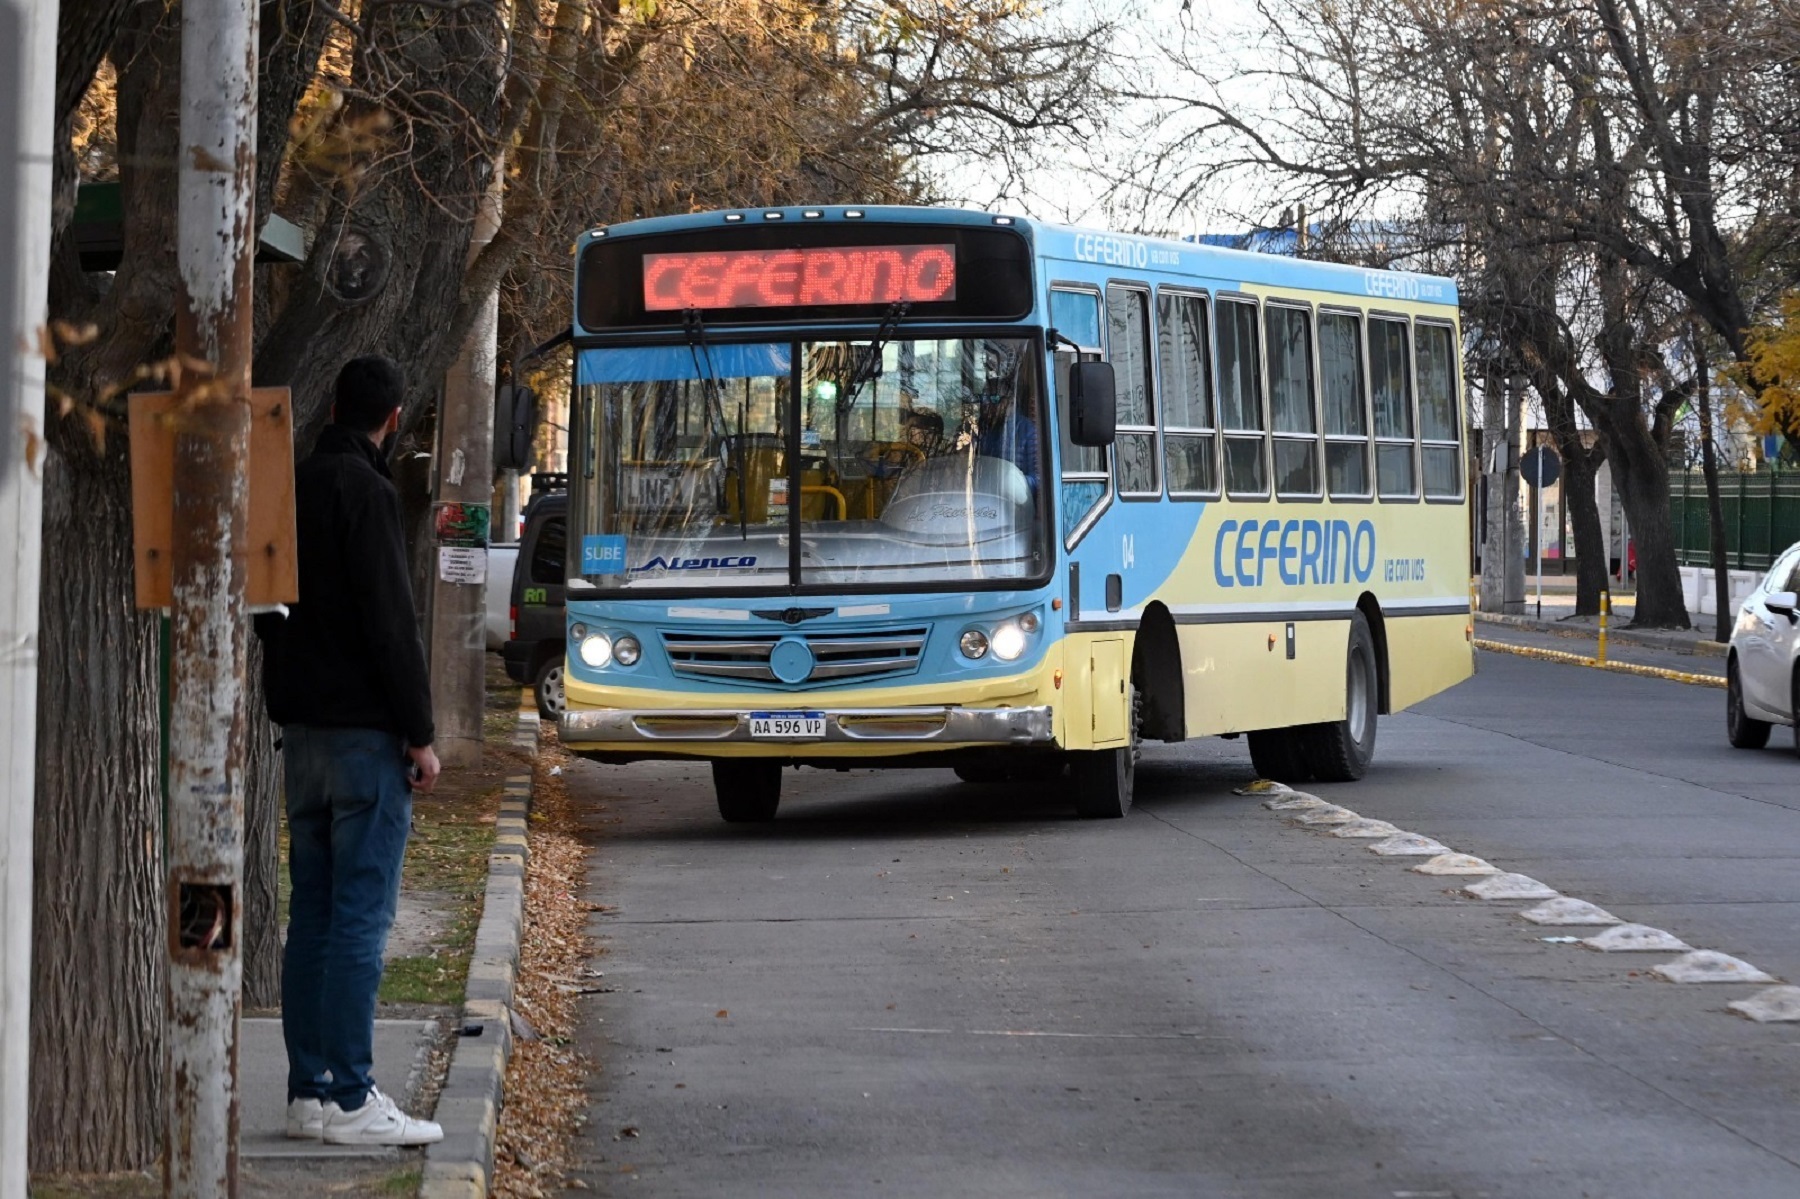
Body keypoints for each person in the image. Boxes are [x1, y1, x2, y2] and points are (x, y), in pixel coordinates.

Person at [255, 355, 444, 1147]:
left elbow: (267, 606)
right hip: (368, 739)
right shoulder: (371, 495)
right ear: (394, 419)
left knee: (314, 917)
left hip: (301, 739)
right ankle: (352, 1094)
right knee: (362, 918)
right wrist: (422, 734)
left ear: (334, 404)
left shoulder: (288, 485)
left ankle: (308, 1092)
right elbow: (392, 627)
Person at [973, 342, 1040, 492]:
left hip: (1016, 506)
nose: (988, 404)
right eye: (985, 398)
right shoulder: (982, 430)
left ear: (1010, 400)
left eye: (995, 399)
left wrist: (1011, 484)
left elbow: (1039, 479)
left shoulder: (1028, 432)